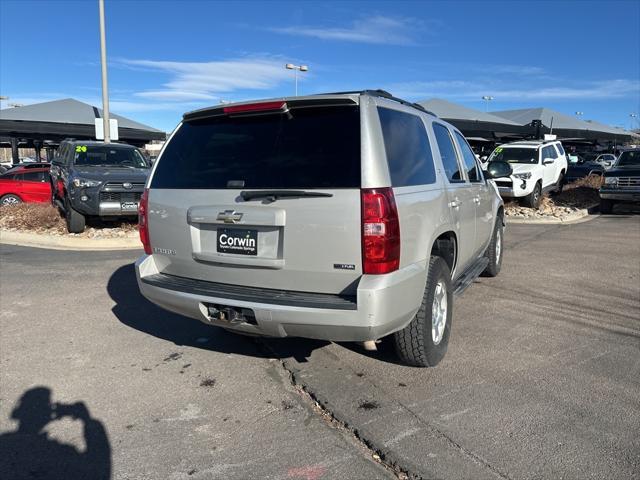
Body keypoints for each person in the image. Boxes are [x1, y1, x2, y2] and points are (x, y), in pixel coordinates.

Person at [0, 387, 111, 480]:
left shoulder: (4, 441)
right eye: (47, 405)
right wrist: (87, 420)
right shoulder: (59, 452)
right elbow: (99, 466)